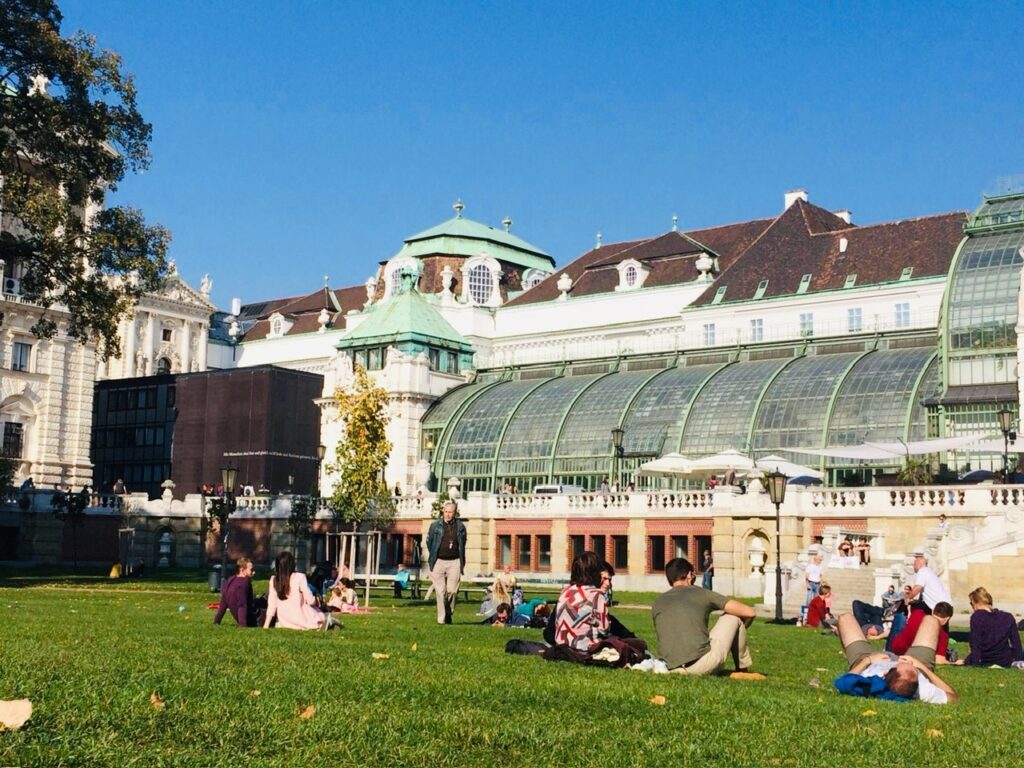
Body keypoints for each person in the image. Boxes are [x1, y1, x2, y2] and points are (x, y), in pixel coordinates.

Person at [652, 557, 760, 676]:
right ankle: (742, 669)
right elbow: (749, 612)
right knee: (734, 616)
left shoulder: (658, 602)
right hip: (700, 665)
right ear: (689, 575)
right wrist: (739, 630)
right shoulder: (700, 593)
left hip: (670, 668)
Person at [833, 612, 957, 703]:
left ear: (885, 673)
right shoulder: (923, 688)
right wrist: (921, 667)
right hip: (917, 661)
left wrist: (868, 660)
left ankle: (851, 654)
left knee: (845, 618)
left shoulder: (869, 681)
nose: (896, 661)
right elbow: (953, 697)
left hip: (868, 661)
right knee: (931, 620)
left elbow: (846, 679)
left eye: (897, 665)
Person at [263, 551, 330, 631]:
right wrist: (316, 600)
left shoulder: (274, 580)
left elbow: (272, 605)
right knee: (319, 616)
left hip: (285, 621)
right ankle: (329, 623)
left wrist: (266, 626)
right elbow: (310, 600)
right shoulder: (299, 577)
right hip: (301, 619)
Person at [959, 586, 1022, 667]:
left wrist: (973, 662)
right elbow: (1016, 643)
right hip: (1005, 659)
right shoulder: (1008, 617)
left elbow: (975, 644)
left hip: (986, 659)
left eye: (971, 604)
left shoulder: (977, 617)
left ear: (975, 602)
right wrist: (1018, 659)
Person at [426, 500, 467, 625]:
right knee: (440, 591)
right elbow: (430, 542)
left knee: (452, 590)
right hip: (438, 561)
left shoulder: (460, 527)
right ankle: (441, 619)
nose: (448, 514)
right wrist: (434, 554)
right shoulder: (435, 525)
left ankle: (449, 613)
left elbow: (463, 543)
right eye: (446, 511)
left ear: (455, 513)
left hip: (454, 561)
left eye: (450, 512)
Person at [889, 602, 953, 663]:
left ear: (933, 611)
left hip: (894, 647)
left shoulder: (917, 613)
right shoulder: (943, 635)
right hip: (912, 656)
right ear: (947, 618)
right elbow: (939, 661)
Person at [215, 557, 258, 627]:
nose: (254, 572)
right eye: (251, 570)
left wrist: (217, 621)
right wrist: (243, 625)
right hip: (252, 619)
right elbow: (242, 604)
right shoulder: (244, 582)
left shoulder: (230, 580)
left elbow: (223, 604)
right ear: (242, 570)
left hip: (244, 615)